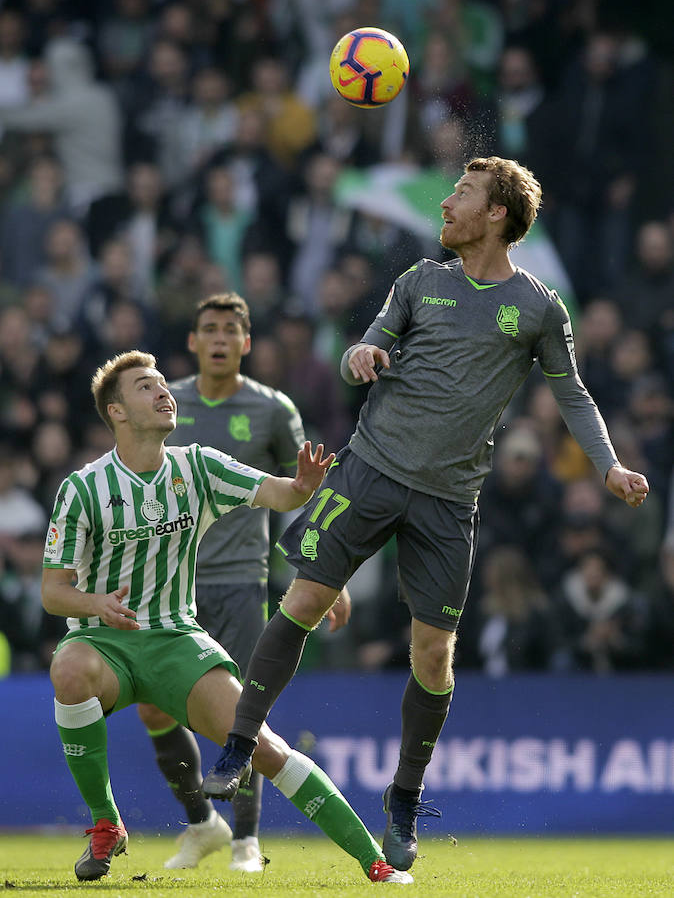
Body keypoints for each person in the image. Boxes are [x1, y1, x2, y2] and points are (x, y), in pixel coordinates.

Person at [205, 156, 650, 872]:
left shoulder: (538, 307)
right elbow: (370, 341)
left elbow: (573, 394)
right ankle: (237, 746)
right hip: (372, 469)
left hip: (449, 500)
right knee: (306, 598)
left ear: (497, 213)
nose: (446, 203)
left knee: (434, 655)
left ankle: (404, 798)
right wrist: (360, 356)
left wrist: (610, 466)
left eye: (462, 194)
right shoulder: (419, 281)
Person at [41, 349, 412, 885]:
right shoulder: (82, 489)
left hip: (176, 640)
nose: (164, 392)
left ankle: (373, 862)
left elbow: (280, 493)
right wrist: (94, 603)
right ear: (117, 411)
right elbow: (54, 593)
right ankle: (106, 822)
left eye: (164, 383)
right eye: (146, 387)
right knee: (67, 670)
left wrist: (304, 487)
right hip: (104, 641)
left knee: (262, 747)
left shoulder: (197, 465)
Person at [135, 292, 310, 872]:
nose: (218, 339)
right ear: (192, 341)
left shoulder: (272, 409)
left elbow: (302, 495)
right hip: (167, 582)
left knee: (240, 714)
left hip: (238, 581)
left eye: (230, 330)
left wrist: (321, 571)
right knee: (154, 710)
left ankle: (246, 841)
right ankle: (201, 823)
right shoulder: (166, 402)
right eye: (208, 328)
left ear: (246, 343)